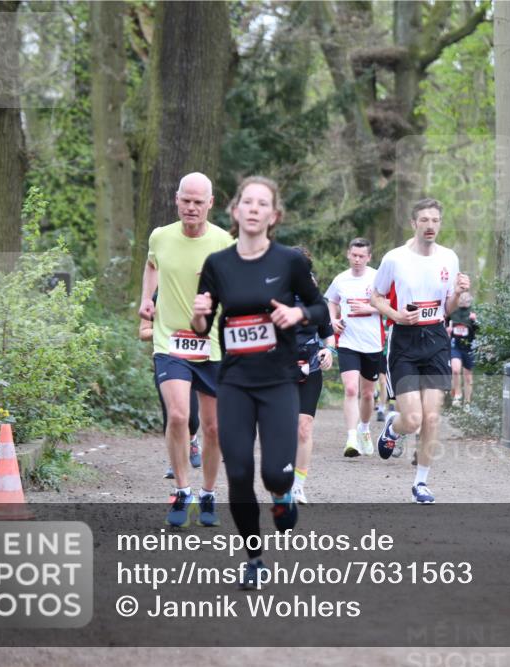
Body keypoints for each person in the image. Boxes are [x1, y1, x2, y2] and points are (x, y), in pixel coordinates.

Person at [191, 176, 328, 588]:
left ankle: (283, 497)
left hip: (279, 381)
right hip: (234, 381)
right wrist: (199, 313)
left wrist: (298, 315)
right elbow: (201, 328)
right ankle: (253, 556)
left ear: (273, 215)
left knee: (275, 474)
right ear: (235, 212)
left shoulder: (290, 262)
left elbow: (322, 310)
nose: (252, 208)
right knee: (237, 473)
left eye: (261, 203)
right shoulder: (218, 265)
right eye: (246, 202)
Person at [138, 172, 233, 528]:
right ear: (176, 200)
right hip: (169, 342)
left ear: (210, 204)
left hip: (213, 347)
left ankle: (208, 493)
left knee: (214, 428)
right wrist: (147, 299)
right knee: (178, 416)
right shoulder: (160, 237)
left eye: (199, 202)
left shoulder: (224, 242)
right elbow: (151, 265)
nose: (191, 208)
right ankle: (182, 491)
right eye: (186, 201)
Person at [371, 198, 469, 504]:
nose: (430, 226)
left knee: (432, 418)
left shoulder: (449, 258)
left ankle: (421, 483)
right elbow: (375, 296)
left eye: (435, 220)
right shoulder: (395, 258)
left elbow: (448, 307)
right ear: (414, 224)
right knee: (412, 419)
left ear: (440, 223)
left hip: (437, 339)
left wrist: (460, 293)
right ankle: (393, 427)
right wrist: (397, 316)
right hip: (404, 341)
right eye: (424, 220)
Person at [324, 238, 384, 457]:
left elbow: (391, 307)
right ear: (348, 254)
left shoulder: (378, 277)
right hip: (348, 341)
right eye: (354, 255)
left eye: (362, 256)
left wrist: (370, 308)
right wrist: (332, 320)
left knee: (367, 394)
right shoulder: (340, 279)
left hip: (372, 343)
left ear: (369, 257)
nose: (357, 260)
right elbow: (331, 300)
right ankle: (351, 438)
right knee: (351, 389)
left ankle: (364, 429)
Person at [138, 291, 202, 478]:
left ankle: (192, 440)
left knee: (191, 417)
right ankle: (175, 463)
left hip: (193, 360)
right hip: (166, 359)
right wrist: (167, 331)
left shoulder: (193, 292)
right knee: (172, 415)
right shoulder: (156, 297)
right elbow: (143, 333)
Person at [291, 246, 335, 505]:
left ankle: (298, 485)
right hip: (278, 368)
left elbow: (328, 333)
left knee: (304, 428)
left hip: (311, 365)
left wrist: (329, 350)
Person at [446, 291, 478, 407]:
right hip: (455, 345)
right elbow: (445, 324)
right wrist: (447, 331)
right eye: (462, 298)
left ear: (470, 300)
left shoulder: (473, 313)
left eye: (466, 299)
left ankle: (468, 402)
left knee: (468, 377)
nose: (464, 300)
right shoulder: (453, 313)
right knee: (455, 369)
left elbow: (479, 330)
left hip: (469, 347)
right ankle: (457, 395)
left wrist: (474, 321)